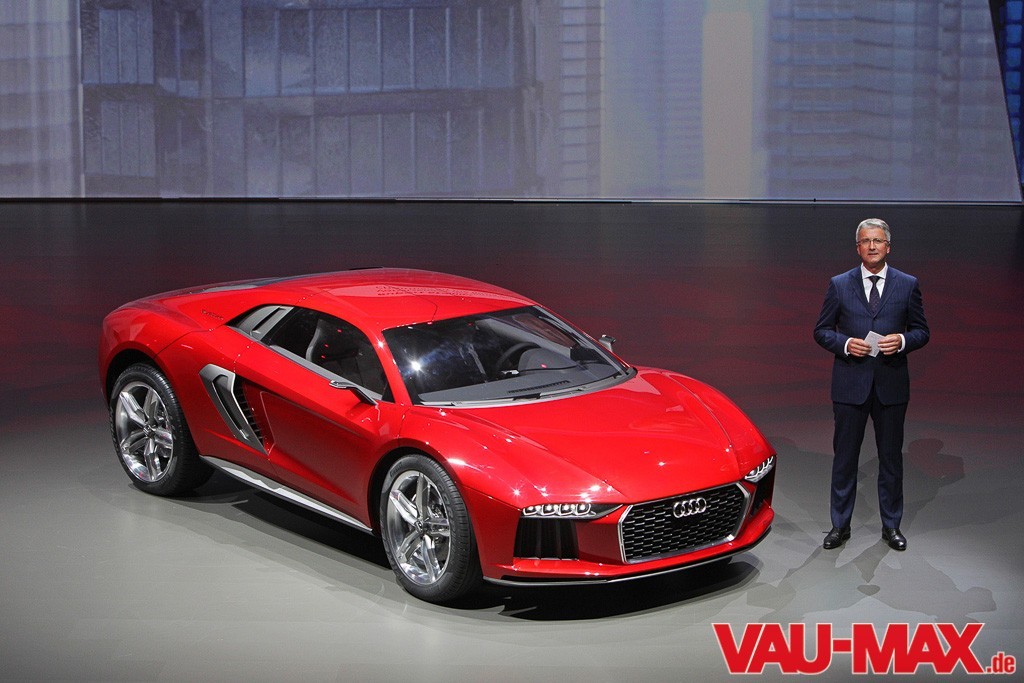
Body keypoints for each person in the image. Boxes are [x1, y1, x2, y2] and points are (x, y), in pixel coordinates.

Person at [813, 218, 929, 551]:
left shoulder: (907, 284)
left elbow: (922, 331)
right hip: (850, 386)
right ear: (858, 248)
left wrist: (902, 341)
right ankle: (840, 525)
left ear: (888, 246)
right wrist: (846, 344)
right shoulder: (839, 284)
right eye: (866, 241)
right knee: (845, 459)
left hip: (891, 387)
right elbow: (821, 330)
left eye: (878, 241)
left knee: (891, 460)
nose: (872, 246)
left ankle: (891, 526)